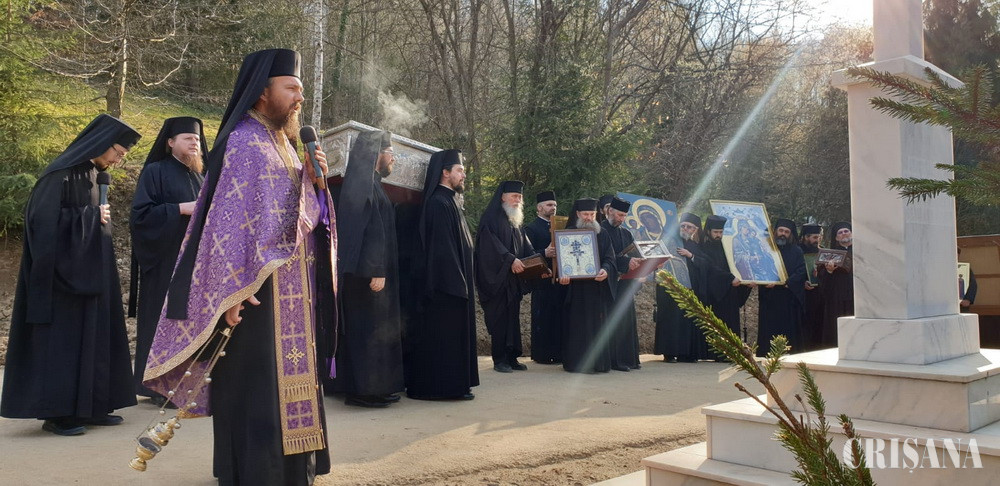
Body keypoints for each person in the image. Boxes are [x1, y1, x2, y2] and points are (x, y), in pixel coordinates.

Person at [142, 48, 337, 485]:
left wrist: (314, 181)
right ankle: (256, 472)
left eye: (301, 90)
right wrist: (227, 294)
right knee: (257, 383)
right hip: (254, 292)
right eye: (292, 88)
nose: (300, 98)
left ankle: (294, 470)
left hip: (293, 289)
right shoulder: (244, 143)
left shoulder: (284, 143)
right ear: (263, 91)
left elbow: (300, 216)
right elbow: (226, 225)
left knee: (287, 378)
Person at [1, 114, 140, 436]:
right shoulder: (58, 175)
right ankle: (58, 414)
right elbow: (40, 225)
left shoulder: (94, 175)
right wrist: (89, 217)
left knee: (94, 340)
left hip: (91, 274)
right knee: (62, 345)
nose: (119, 160)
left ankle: (92, 407)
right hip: (60, 281)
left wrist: (92, 218)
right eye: (118, 152)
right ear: (102, 143)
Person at [128, 116, 207, 407]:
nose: (194, 143)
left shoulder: (201, 176)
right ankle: (158, 387)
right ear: (171, 142)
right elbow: (140, 217)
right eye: (188, 138)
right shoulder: (155, 171)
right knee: (164, 322)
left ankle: (187, 386)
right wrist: (180, 209)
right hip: (164, 262)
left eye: (197, 139)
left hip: (194, 265)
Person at [326, 129, 404, 408]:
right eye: (390, 153)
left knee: (375, 331)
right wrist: (376, 269)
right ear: (376, 154)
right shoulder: (362, 185)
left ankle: (376, 387)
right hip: (365, 276)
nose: (393, 159)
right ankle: (362, 390)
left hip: (372, 273)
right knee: (366, 332)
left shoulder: (372, 183)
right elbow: (367, 230)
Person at [405, 149, 478, 400]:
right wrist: (457, 285)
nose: (464, 175)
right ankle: (442, 389)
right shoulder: (438, 203)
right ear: (445, 173)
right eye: (459, 170)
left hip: (456, 284)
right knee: (442, 340)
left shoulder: (451, 201)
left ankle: (457, 385)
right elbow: (442, 249)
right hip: (445, 289)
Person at [475, 180, 537, 373]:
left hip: (513, 281)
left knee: (513, 319)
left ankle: (512, 357)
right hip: (498, 280)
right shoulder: (491, 218)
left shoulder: (515, 221)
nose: (518, 200)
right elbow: (489, 247)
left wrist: (540, 262)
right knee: (500, 319)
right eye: (514, 196)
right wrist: (510, 260)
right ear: (503, 197)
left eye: (520, 197)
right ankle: (499, 359)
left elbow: (526, 247)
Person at [558, 198, 616, 373]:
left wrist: (606, 270)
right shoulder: (567, 234)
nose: (589, 218)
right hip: (576, 290)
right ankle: (576, 364)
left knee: (597, 327)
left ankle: (598, 364)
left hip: (596, 289)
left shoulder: (603, 234)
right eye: (585, 214)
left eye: (592, 214)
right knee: (577, 326)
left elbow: (610, 258)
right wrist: (563, 276)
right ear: (577, 214)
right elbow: (562, 262)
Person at [654, 213, 709, 362]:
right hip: (668, 288)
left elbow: (705, 264)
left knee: (686, 320)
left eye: (689, 227)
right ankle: (669, 353)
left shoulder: (694, 246)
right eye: (683, 225)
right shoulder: (669, 241)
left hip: (688, 290)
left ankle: (685, 353)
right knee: (670, 318)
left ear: (695, 230)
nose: (685, 228)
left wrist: (691, 255)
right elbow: (657, 257)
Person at [700, 215, 751, 358]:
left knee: (731, 323)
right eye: (716, 232)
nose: (718, 235)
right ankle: (715, 354)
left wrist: (747, 281)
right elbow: (710, 268)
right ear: (708, 231)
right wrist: (729, 278)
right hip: (714, 293)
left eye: (721, 232)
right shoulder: (703, 248)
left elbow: (736, 264)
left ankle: (731, 353)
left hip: (730, 292)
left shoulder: (727, 247)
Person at [602, 197, 642, 371]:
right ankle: (615, 361)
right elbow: (604, 258)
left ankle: (629, 359)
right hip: (609, 285)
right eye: (619, 215)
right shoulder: (600, 231)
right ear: (609, 211)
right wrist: (626, 262)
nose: (622, 219)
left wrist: (649, 262)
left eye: (625, 216)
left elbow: (634, 254)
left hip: (625, 284)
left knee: (626, 321)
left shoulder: (626, 233)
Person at [756, 219, 807, 356]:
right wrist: (762, 280)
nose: (783, 234)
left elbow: (801, 271)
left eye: (786, 232)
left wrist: (786, 282)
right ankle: (767, 352)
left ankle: (788, 352)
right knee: (769, 325)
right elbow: (759, 267)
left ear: (790, 234)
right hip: (769, 296)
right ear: (775, 232)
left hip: (788, 297)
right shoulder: (766, 249)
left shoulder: (796, 251)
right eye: (781, 230)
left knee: (788, 326)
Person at [523, 190, 562, 364]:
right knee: (543, 317)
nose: (553, 208)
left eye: (554, 205)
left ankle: (559, 353)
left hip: (560, 280)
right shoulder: (531, 229)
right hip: (542, 281)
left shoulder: (561, 226)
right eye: (549, 205)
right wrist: (544, 252)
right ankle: (542, 355)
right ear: (539, 208)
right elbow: (526, 255)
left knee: (558, 317)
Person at [817, 221, 854, 348]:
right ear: (836, 238)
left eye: (846, 231)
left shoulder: (862, 251)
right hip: (836, 299)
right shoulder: (830, 255)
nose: (844, 234)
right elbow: (822, 280)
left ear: (852, 233)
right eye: (840, 232)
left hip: (857, 298)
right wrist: (829, 271)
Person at [799, 224, 824, 351]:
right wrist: (802, 282)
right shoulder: (797, 251)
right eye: (814, 237)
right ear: (806, 237)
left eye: (819, 237)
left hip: (819, 294)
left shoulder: (823, 252)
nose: (817, 240)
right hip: (802, 296)